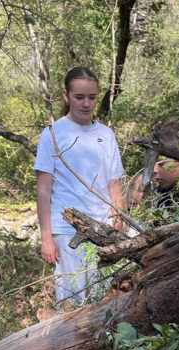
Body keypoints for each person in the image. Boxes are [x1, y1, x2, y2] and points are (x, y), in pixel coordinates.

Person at [34, 66, 126, 307]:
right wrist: (46, 238)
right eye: (79, 97)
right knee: (71, 302)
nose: (86, 104)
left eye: (92, 97)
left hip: (103, 228)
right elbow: (43, 190)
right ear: (66, 96)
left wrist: (118, 221)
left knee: (104, 300)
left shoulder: (106, 135)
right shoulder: (53, 134)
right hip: (67, 230)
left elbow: (114, 184)